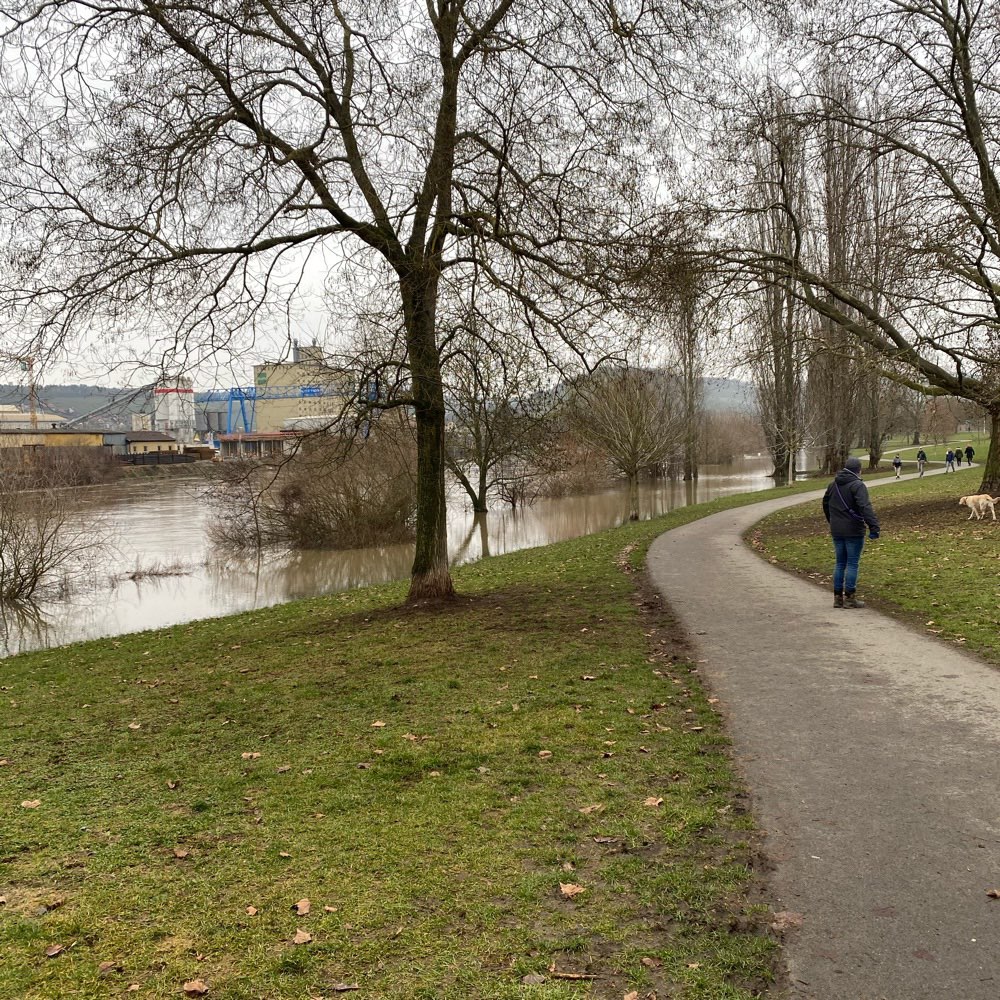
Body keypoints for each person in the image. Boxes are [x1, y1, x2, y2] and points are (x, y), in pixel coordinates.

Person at [823, 455, 880, 609]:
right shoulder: (857, 485)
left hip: (837, 530)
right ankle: (850, 598)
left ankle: (837, 598)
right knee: (852, 563)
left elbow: (825, 504)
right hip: (854, 530)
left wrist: (832, 521)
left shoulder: (833, 485)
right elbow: (865, 507)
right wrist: (874, 527)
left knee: (840, 563)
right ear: (858, 470)